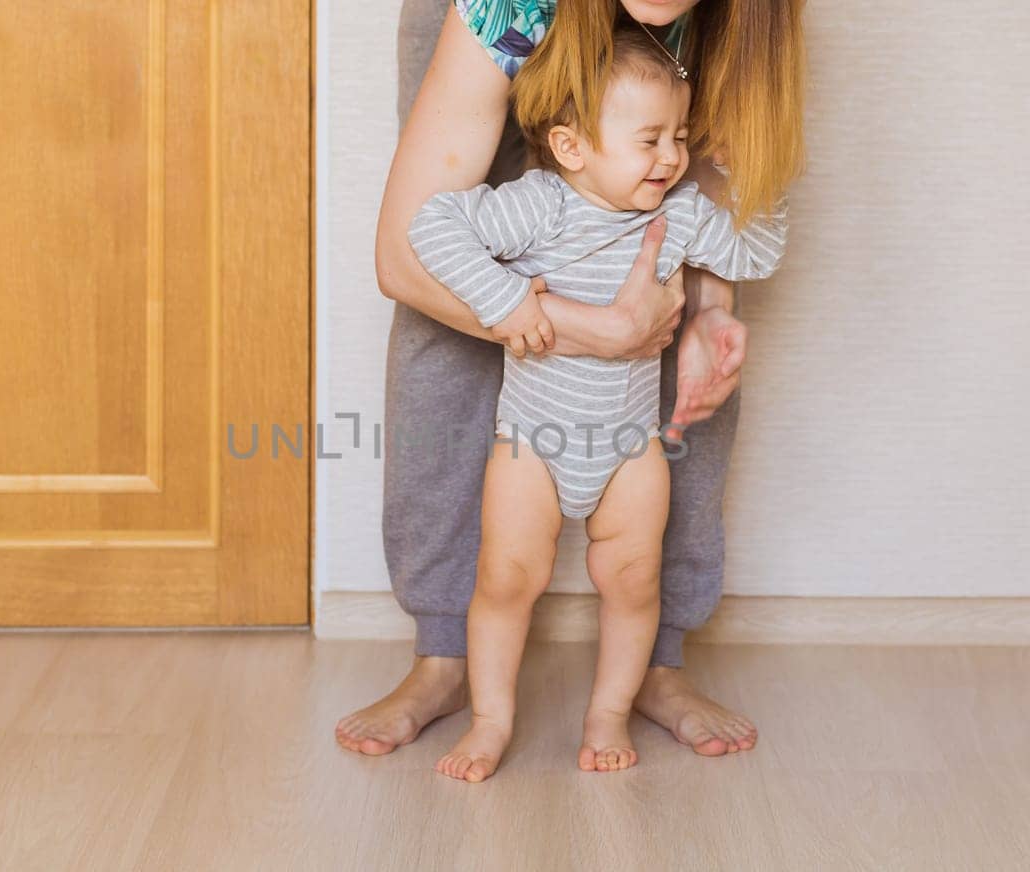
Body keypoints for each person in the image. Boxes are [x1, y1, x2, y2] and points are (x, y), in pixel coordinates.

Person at [335, 0, 805, 760]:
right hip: (532, 441)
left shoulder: (675, 199)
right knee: (505, 572)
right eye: (653, 141)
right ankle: (457, 671)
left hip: (628, 450)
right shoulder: (542, 202)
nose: (671, 156)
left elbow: (746, 242)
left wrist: (723, 274)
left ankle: (627, 698)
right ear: (570, 146)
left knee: (635, 570)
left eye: (677, 139)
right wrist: (526, 305)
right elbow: (417, 245)